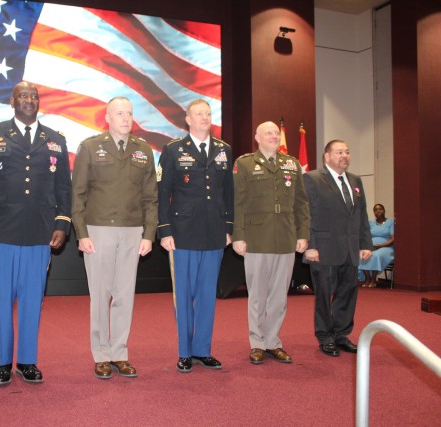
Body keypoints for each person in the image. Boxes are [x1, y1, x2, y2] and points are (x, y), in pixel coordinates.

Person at [0, 82, 72, 386]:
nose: (29, 100)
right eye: (23, 96)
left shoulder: (55, 139)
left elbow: (63, 187)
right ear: (12, 101)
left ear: (39, 102)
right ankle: (2, 362)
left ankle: (27, 361)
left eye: (34, 96)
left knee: (31, 299)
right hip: (0, 230)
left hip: (40, 232)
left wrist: (62, 223)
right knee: (1, 298)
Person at [71, 96, 158, 379]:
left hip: (133, 231)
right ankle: (101, 355)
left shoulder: (143, 150)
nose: (125, 118)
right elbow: (78, 195)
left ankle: (119, 352)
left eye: (129, 113)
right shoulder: (90, 147)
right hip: (98, 230)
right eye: (119, 113)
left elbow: (150, 198)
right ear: (107, 118)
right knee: (100, 294)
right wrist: (81, 233)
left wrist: (149, 234)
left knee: (124, 295)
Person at [157, 99, 233, 373]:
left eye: (208, 113)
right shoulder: (174, 149)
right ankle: (185, 351)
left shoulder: (224, 150)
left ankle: (203, 349)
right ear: (187, 119)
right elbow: (162, 192)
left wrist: (229, 228)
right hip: (183, 233)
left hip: (214, 232)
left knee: (206, 294)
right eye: (198, 113)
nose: (204, 117)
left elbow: (229, 193)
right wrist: (164, 230)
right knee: (185, 293)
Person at [232, 121, 310, 365]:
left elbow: (301, 203)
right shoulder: (244, 163)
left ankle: (273, 341)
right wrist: (238, 236)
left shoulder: (292, 164)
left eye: (277, 133)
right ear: (257, 137)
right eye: (269, 133)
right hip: (256, 238)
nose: (275, 136)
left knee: (279, 296)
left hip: (285, 237)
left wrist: (302, 234)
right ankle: (257, 342)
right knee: (257, 295)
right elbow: (238, 203)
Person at [304, 140, 373, 357]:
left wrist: (365, 244)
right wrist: (310, 245)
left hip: (351, 249)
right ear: (327, 156)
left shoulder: (355, 181)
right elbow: (306, 214)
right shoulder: (312, 179)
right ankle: (325, 337)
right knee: (325, 294)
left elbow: (361, 215)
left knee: (348, 293)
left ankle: (341, 335)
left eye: (347, 152)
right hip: (323, 249)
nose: (344, 156)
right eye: (339, 152)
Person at [358, 203, 395, 287]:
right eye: (376, 210)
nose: (378, 211)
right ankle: (368, 279)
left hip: (386, 247)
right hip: (371, 246)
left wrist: (380, 246)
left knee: (376, 255)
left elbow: (393, 239)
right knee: (363, 254)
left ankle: (374, 279)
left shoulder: (390, 222)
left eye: (380, 209)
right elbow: (365, 235)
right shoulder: (370, 222)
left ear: (384, 210)